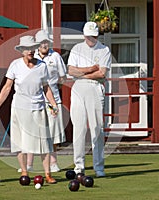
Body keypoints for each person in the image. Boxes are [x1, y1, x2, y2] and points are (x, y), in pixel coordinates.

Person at [0, 35, 58, 184]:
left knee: (44, 144)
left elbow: (46, 88)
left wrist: (53, 104)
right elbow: (7, 87)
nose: (31, 51)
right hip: (19, 109)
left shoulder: (42, 66)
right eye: (27, 49)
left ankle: (47, 174)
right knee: (20, 144)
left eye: (32, 48)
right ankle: (25, 173)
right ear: (21, 51)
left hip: (38, 108)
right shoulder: (15, 65)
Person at [17, 30, 67, 173]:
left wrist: (53, 92)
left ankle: (53, 163)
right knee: (32, 133)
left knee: (52, 134)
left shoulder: (56, 56)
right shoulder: (32, 57)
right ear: (37, 45)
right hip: (36, 101)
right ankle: (29, 164)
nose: (45, 44)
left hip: (52, 99)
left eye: (47, 42)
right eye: (42, 42)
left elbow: (62, 78)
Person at [67, 22, 111, 177]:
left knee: (97, 128)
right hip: (78, 87)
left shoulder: (104, 50)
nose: (91, 39)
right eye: (88, 36)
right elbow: (71, 70)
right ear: (84, 35)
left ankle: (99, 167)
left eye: (93, 36)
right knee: (79, 128)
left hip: (95, 86)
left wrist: (82, 74)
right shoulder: (77, 49)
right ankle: (79, 166)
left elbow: (102, 73)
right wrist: (90, 69)